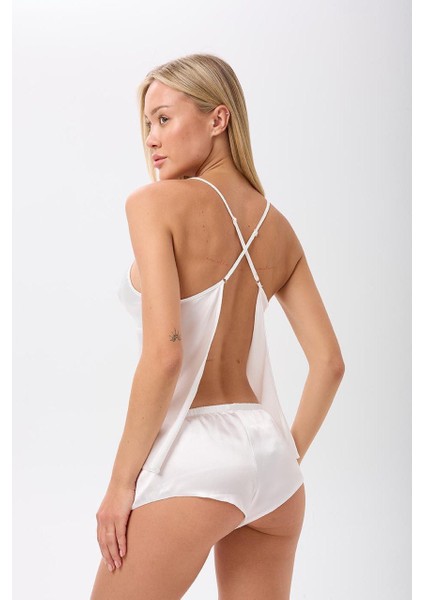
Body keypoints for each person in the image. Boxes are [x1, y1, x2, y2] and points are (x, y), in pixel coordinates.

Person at [90, 53, 345, 600]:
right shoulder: (279, 228)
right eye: (147, 124)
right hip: (273, 464)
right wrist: (284, 458)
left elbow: (165, 354)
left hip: (197, 456)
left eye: (164, 118)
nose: (151, 139)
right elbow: (329, 364)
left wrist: (120, 485)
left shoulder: (154, 204)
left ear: (218, 119)